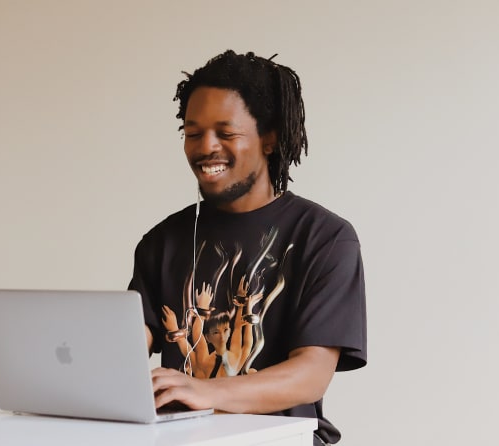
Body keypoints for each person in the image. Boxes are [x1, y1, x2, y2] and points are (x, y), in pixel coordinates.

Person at [128, 49, 367, 445]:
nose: (206, 147)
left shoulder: (325, 237)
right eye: (193, 133)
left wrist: (205, 392)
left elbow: (310, 375)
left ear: (269, 139)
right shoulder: (161, 242)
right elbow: (127, 351)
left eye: (226, 133)